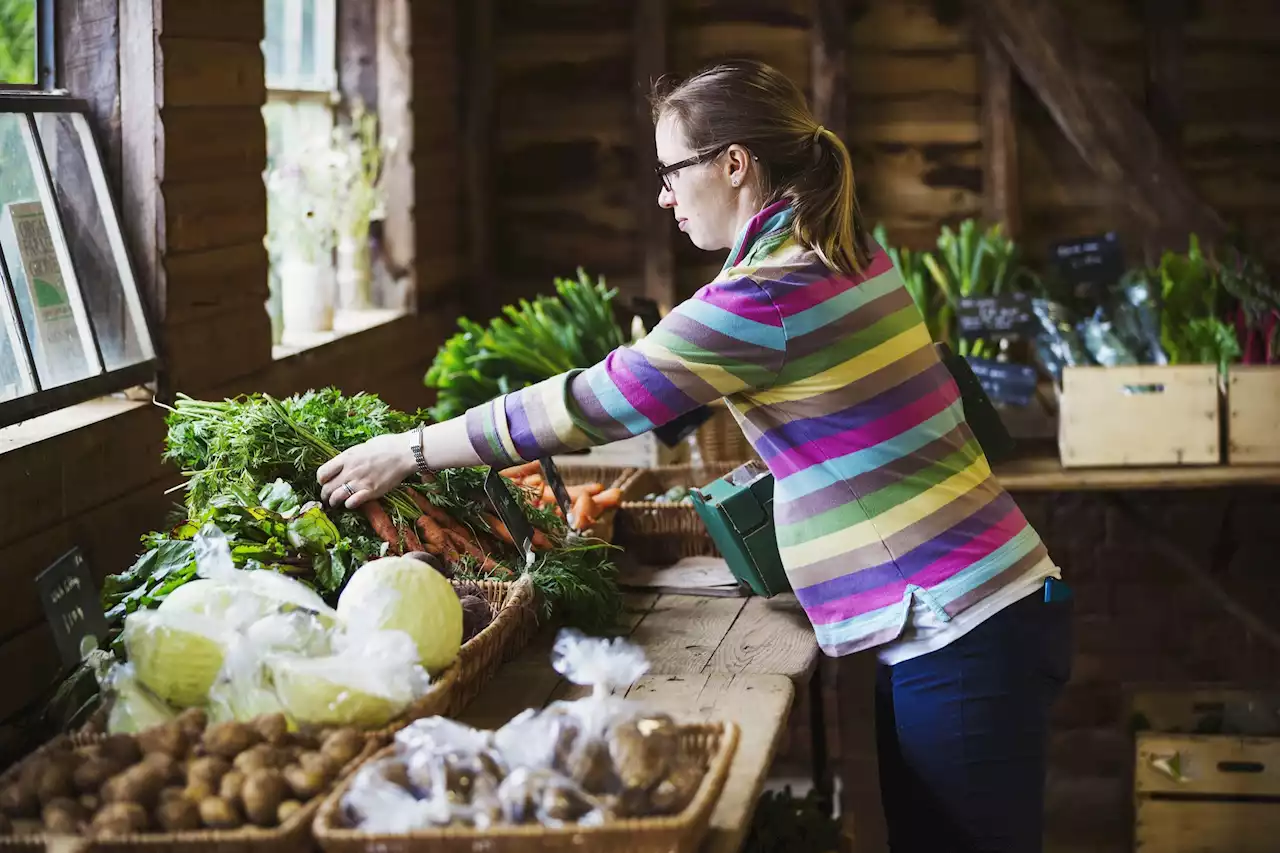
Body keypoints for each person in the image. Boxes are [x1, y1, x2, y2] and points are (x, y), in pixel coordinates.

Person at [317, 59, 1072, 853]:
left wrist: (413, 449)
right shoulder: (843, 250)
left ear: (735, 164)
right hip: (978, 611)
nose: (663, 196)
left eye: (672, 172)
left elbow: (589, 403)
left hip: (961, 626)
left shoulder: (764, 295)